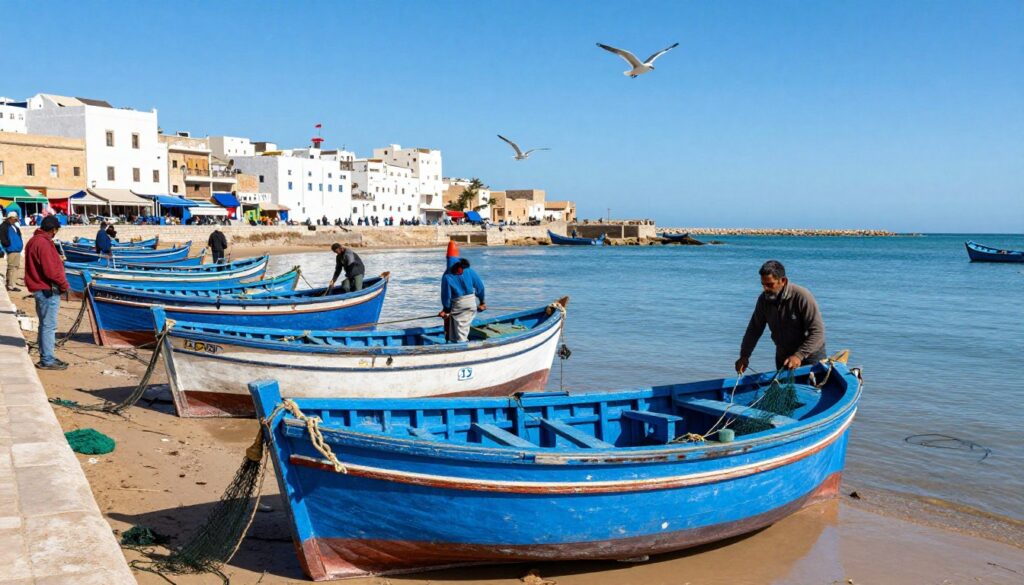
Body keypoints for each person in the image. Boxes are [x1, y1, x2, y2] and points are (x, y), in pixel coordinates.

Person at [736, 260, 826, 373]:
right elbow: (754, 330)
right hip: (783, 357)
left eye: (770, 285)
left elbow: (818, 332)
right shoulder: (763, 299)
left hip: (810, 357)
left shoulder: (802, 296)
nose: (765, 289)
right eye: (763, 285)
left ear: (783, 281)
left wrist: (799, 355)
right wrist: (744, 356)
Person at [24, 216, 70, 370]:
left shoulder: (34, 241)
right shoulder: (43, 243)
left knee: (45, 325)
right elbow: (50, 271)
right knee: (49, 326)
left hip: (40, 288)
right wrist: (64, 286)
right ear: (53, 229)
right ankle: (47, 359)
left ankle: (47, 356)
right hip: (47, 290)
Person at [439, 243, 486, 343]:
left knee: (460, 332)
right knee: (462, 327)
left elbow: (446, 297)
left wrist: (446, 310)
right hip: (471, 303)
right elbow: (480, 287)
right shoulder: (469, 270)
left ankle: (462, 346)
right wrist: (482, 302)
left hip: (458, 305)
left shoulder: (447, 276)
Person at [0, 212, 24, 291]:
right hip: (11, 249)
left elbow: (19, 236)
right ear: (10, 218)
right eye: (15, 218)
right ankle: (10, 285)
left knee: (15, 267)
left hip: (17, 250)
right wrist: (8, 246)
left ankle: (12, 283)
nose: (16, 219)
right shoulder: (4, 226)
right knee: (12, 267)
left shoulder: (14, 226)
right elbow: (3, 237)